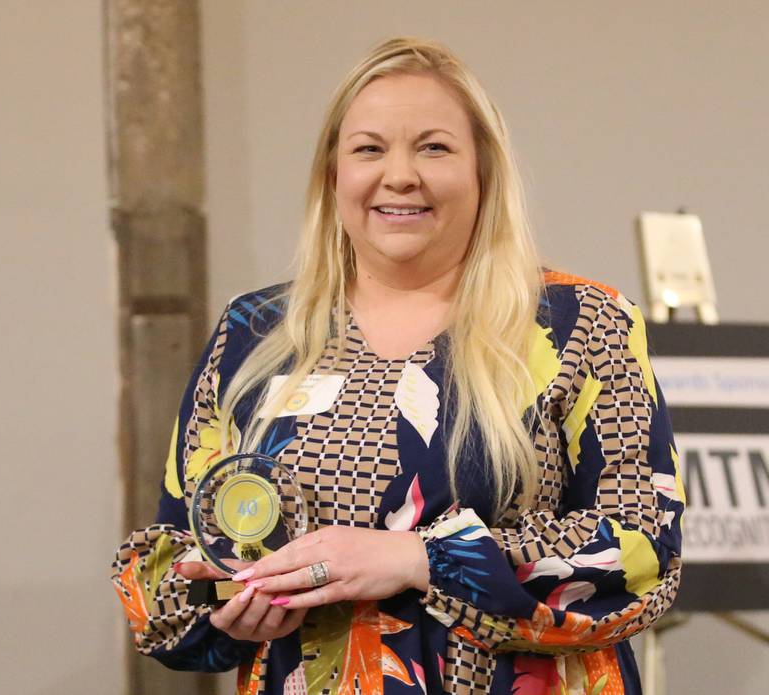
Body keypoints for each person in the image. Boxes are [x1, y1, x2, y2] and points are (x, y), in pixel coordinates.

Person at [112, 36, 683, 694]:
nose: (400, 175)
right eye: (369, 149)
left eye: (434, 147)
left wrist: (420, 559)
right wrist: (224, 604)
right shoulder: (254, 331)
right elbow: (169, 561)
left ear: (483, 171)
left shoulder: (581, 322)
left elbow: (644, 547)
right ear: (333, 174)